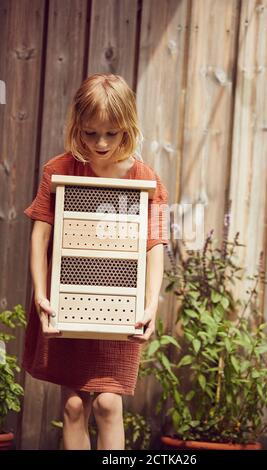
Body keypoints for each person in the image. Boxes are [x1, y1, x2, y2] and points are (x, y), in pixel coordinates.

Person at [23, 73, 169, 450]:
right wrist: (42, 294)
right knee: (73, 406)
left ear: (127, 128)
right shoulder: (60, 169)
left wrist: (151, 304)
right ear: (77, 126)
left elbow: (154, 245)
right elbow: (40, 237)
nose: (101, 143)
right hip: (66, 299)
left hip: (118, 306)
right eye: (90, 133)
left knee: (107, 404)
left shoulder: (146, 178)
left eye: (112, 133)